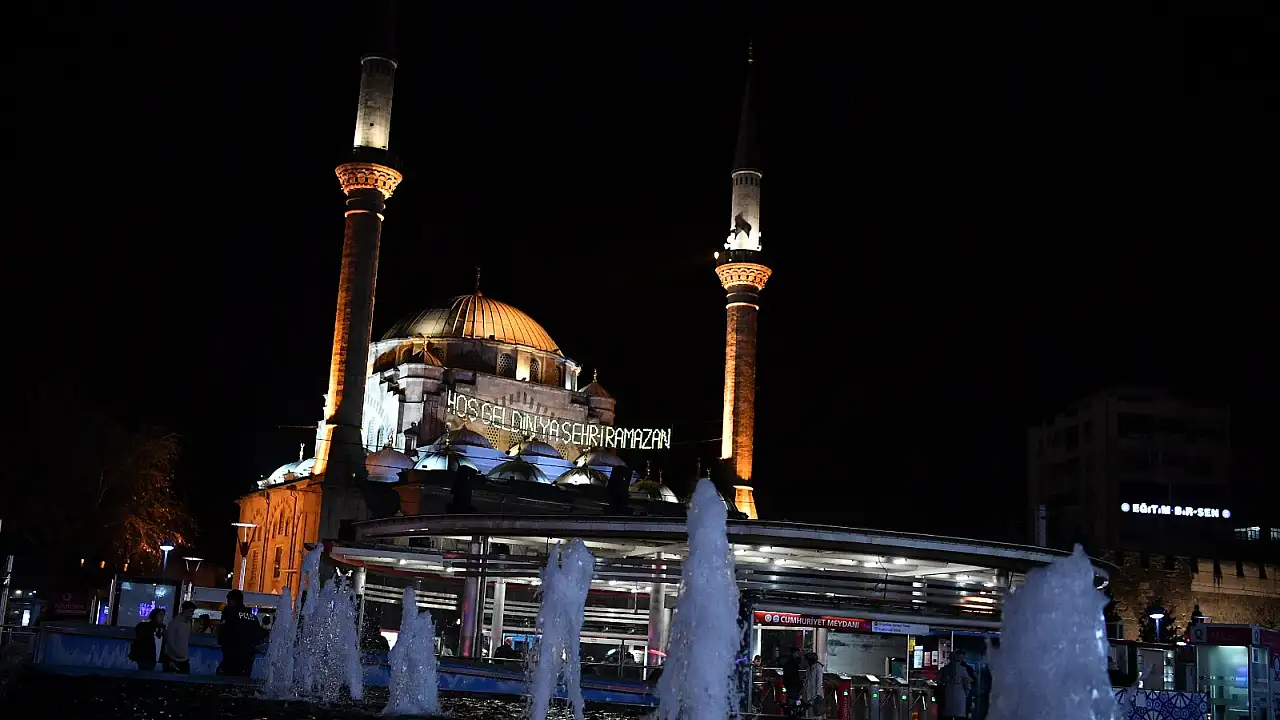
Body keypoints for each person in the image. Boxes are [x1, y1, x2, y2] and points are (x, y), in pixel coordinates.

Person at [217, 589, 265, 677]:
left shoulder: (230, 615)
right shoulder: (252, 617)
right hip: (247, 660)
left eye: (228, 601)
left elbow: (222, 637)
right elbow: (259, 638)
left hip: (231, 658)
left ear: (233, 601)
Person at [937, 649, 977, 720]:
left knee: (949, 714)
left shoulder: (945, 669)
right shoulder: (965, 669)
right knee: (960, 714)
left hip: (948, 693)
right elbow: (969, 682)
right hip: (960, 694)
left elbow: (939, 680)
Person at [161, 601, 197, 673]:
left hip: (184, 659)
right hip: (173, 659)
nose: (192, 614)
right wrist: (177, 653)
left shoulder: (189, 623)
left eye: (193, 611)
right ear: (185, 610)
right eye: (191, 611)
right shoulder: (174, 623)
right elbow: (169, 641)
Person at [782, 647, 806, 715]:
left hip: (791, 684)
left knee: (794, 698)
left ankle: (792, 711)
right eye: (797, 653)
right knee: (796, 698)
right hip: (794, 684)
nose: (798, 654)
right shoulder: (794, 662)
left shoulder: (789, 662)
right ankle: (795, 712)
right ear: (794, 653)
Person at [804, 652, 825, 718]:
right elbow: (807, 681)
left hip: (815, 695)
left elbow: (819, 681)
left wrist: (818, 694)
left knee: (817, 712)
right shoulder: (808, 668)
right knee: (810, 713)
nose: (806, 662)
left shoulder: (818, 667)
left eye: (807, 660)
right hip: (809, 694)